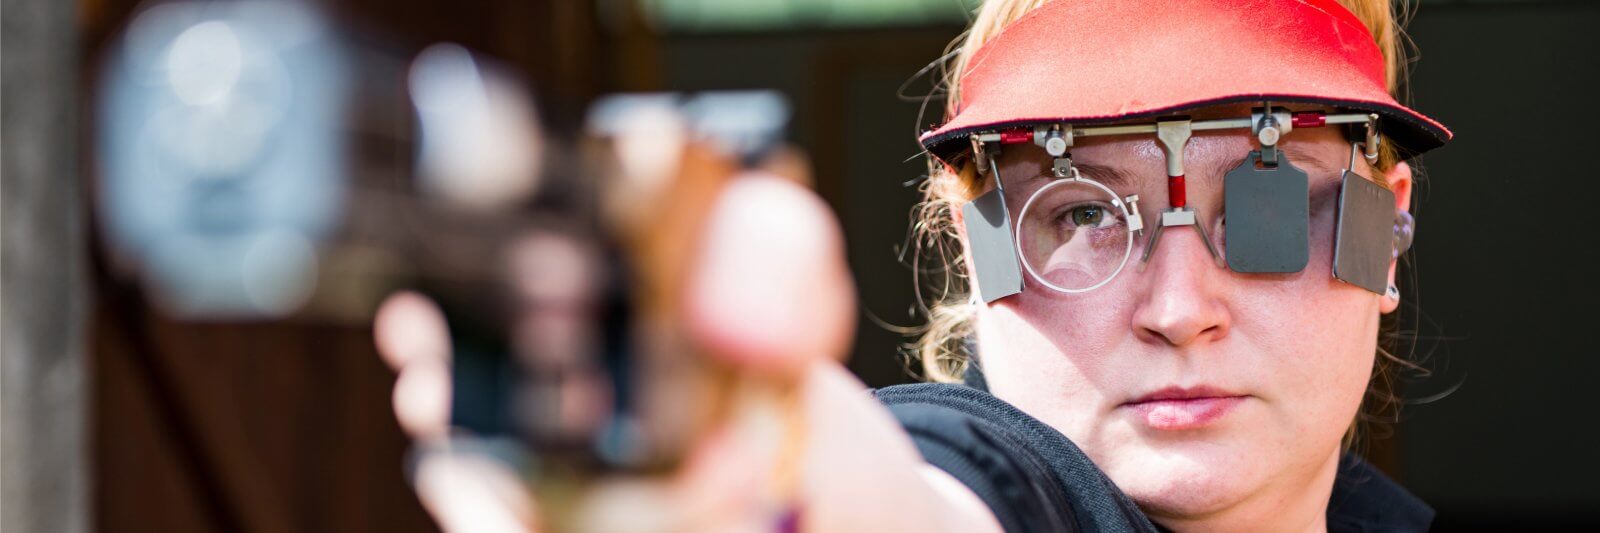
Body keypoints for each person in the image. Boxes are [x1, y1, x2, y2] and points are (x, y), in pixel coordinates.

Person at [376, 0, 1450, 531]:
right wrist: (725, 444)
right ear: (968, 248)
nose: (1178, 307)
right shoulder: (991, 476)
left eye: (1265, 209)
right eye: (1079, 212)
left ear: (1383, 225)